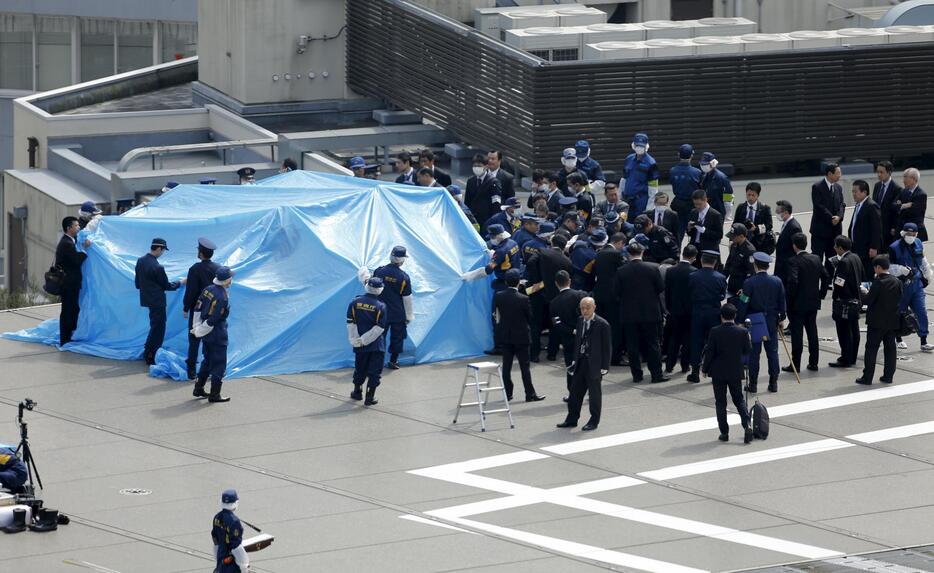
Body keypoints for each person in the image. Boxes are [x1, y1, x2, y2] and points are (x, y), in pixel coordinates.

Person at [462, 223, 521, 354]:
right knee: (514, 317)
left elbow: (488, 270)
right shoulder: (513, 243)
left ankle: (499, 347)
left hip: (503, 286)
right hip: (515, 283)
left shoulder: (500, 250)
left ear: (499, 236)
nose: (492, 239)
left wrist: (470, 276)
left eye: (493, 237)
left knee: (498, 317)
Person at [615, 243, 668, 383]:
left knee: (632, 345)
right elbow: (660, 287)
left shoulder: (621, 271)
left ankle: (636, 375)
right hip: (650, 312)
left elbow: (617, 292)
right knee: (653, 343)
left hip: (629, 314)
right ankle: (656, 374)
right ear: (642, 252)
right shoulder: (653, 268)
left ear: (628, 254)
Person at [557, 297, 611, 432]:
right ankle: (572, 419)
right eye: (582, 308)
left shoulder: (602, 324)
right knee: (575, 392)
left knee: (594, 394)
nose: (585, 311)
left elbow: (607, 347)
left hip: (594, 364)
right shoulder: (580, 321)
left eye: (588, 308)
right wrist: (575, 359)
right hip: (581, 362)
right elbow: (578, 341)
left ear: (594, 307)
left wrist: (605, 366)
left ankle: (594, 421)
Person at [701, 303, 753, 444]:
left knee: (720, 402)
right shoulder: (742, 332)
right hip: (735, 371)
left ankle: (724, 432)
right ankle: (747, 425)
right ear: (735, 316)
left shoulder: (715, 331)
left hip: (718, 372)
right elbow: (747, 351)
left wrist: (705, 369)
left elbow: (710, 352)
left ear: (721, 316)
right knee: (739, 400)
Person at [494, 270, 545, 402]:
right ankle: (529, 393)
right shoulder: (523, 299)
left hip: (506, 335)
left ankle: (508, 392)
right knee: (524, 367)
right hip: (521, 336)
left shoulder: (499, 296)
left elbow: (496, 314)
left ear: (506, 282)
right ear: (518, 282)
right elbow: (530, 317)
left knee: (507, 366)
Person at [135, 238, 185, 365]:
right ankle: (151, 354)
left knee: (154, 326)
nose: (162, 253)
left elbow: (137, 284)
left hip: (147, 299)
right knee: (158, 328)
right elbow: (167, 286)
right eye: (163, 250)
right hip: (158, 301)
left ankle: (148, 351)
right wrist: (181, 282)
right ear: (158, 249)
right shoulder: (158, 267)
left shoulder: (140, 261)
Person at [741, 252, 786, 393]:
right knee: (772, 352)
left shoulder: (749, 283)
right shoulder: (777, 281)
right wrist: (781, 318)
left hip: (755, 322)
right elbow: (782, 302)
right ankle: (773, 383)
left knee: (754, 353)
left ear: (755, 265)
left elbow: (744, 302)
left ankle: (753, 384)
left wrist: (739, 320)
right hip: (771, 321)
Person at [525, 235, 573, 361]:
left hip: (538, 294)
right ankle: (552, 353)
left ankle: (534, 354)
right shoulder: (567, 261)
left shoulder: (542, 251)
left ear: (552, 243)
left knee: (536, 325)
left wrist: (536, 281)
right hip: (555, 297)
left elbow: (530, 262)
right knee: (555, 325)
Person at [784, 233, 827, 373]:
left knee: (797, 335)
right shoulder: (815, 258)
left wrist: (789, 300)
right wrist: (821, 294)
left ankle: (795, 364)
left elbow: (793, 282)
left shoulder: (793, 261)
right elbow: (826, 276)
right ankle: (813, 362)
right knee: (812, 332)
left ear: (794, 246)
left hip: (797, 305)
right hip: (813, 302)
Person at [857, 256, 903, 385]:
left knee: (871, 349)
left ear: (878, 267)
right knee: (890, 349)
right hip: (892, 322)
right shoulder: (897, 281)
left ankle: (867, 377)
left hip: (876, 322)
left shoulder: (878, 282)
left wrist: (863, 292)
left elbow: (868, 301)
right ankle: (888, 376)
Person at [889, 223, 934, 352]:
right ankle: (898, 338)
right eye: (909, 234)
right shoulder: (894, 247)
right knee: (900, 312)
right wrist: (902, 270)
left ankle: (924, 340)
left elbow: (923, 259)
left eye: (913, 235)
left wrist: (928, 273)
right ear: (903, 234)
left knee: (921, 311)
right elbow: (890, 267)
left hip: (917, 284)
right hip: (902, 285)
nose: (911, 237)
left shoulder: (918, 243)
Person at [192, 266, 233, 403]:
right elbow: (213, 320)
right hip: (217, 333)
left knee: (207, 360)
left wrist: (196, 326)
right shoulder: (223, 297)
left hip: (207, 333)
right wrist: (199, 331)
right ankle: (215, 395)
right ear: (227, 280)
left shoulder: (208, 289)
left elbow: (197, 307)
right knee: (219, 365)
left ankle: (198, 388)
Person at [370, 246, 414, 369]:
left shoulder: (379, 271)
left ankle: (376, 362)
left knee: (378, 337)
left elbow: (372, 288)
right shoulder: (404, 277)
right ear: (402, 260)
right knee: (397, 338)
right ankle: (393, 361)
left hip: (380, 312)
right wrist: (409, 315)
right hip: (397, 314)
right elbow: (407, 298)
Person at [347, 277, 388, 405]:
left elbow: (350, 323)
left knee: (360, 368)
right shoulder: (381, 306)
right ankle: (370, 397)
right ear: (380, 289)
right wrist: (365, 340)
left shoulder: (354, 302)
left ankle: (357, 392)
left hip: (360, 345)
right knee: (374, 370)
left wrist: (356, 340)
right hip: (376, 345)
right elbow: (379, 328)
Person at [183, 238, 220, 380]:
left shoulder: (195, 269)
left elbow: (191, 291)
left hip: (198, 310)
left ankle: (191, 370)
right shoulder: (218, 268)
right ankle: (210, 368)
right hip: (213, 310)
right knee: (211, 339)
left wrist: (186, 307)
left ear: (200, 253)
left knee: (194, 338)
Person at [688, 250, 727, 382]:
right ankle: (713, 369)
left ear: (701, 261)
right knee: (714, 342)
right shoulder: (720, 278)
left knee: (696, 341)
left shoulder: (693, 276)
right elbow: (722, 295)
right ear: (715, 263)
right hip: (713, 312)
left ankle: (694, 371)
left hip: (697, 312)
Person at [829, 235, 864, 368]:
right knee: (854, 330)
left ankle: (846, 358)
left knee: (844, 331)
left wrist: (835, 297)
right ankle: (853, 356)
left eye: (835, 246)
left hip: (845, 301)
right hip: (856, 299)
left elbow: (839, 283)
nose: (834, 249)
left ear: (841, 248)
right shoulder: (856, 257)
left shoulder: (844, 262)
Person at [56, 217, 92, 346]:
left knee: (73, 309)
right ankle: (65, 338)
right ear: (68, 228)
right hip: (68, 284)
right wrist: (84, 249)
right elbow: (77, 260)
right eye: (76, 226)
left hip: (71, 283)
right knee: (68, 310)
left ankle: (69, 335)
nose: (79, 228)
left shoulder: (70, 240)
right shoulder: (67, 243)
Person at [550, 271, 586, 394]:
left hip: (568, 338)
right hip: (585, 336)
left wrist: (572, 331)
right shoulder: (581, 295)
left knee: (571, 366)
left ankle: (572, 393)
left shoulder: (554, 303)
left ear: (556, 284)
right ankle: (591, 390)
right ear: (569, 281)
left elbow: (557, 324)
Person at [592, 232, 625, 364]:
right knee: (614, 327)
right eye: (622, 245)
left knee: (601, 326)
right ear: (619, 242)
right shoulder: (616, 254)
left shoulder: (599, 253)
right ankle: (615, 357)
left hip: (600, 294)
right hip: (613, 296)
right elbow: (623, 271)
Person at [665, 245, 698, 374]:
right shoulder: (694, 272)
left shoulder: (671, 270)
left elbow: (667, 291)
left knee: (674, 338)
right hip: (689, 311)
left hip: (674, 310)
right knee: (687, 339)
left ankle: (669, 365)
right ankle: (685, 365)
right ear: (694, 257)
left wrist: (668, 307)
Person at [809, 163, 846, 273]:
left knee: (832, 258)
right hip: (820, 231)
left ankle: (829, 281)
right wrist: (831, 218)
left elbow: (841, 204)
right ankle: (815, 280)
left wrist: (839, 217)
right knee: (817, 258)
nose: (840, 175)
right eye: (838, 173)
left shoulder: (838, 187)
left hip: (834, 232)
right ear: (830, 174)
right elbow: (819, 206)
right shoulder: (817, 187)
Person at [848, 179, 882, 279]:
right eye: (852, 191)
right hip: (856, 247)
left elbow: (876, 229)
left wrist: (874, 247)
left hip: (867, 249)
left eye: (856, 191)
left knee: (867, 274)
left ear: (864, 192)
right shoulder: (858, 205)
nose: (853, 194)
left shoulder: (871, 206)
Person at [620, 132, 659, 215]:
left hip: (641, 202)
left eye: (642, 146)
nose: (639, 148)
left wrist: (649, 208)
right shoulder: (629, 159)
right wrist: (620, 198)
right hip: (627, 201)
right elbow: (624, 179)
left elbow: (653, 189)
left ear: (646, 146)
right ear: (633, 145)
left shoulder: (651, 164)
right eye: (638, 145)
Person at [669, 143, 703, 240]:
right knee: (695, 232)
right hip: (693, 206)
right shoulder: (697, 172)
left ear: (678, 155)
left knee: (678, 233)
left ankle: (677, 252)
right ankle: (693, 253)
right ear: (692, 155)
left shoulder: (672, 171)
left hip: (678, 204)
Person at [212, 489, 249, 573]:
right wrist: (244, 567)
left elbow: (215, 541)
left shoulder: (217, 517)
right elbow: (236, 547)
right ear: (236, 503)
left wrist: (218, 560)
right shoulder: (234, 522)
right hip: (231, 563)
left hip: (221, 559)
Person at [465, 154, 502, 233]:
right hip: (473, 220)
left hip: (487, 219)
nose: (476, 168)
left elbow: (496, 204)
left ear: (486, 166)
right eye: (475, 166)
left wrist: (493, 221)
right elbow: (467, 201)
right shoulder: (471, 181)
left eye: (479, 166)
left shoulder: (493, 182)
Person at [686, 190, 724, 267]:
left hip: (708, 250)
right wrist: (689, 228)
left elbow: (719, 235)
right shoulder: (693, 212)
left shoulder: (715, 215)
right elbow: (689, 233)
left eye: (699, 204)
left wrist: (705, 231)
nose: (697, 206)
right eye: (695, 204)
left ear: (706, 200)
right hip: (694, 249)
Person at [734, 183, 774, 254]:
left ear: (758, 195)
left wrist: (756, 229)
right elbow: (735, 224)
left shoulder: (765, 208)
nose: (750, 198)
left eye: (753, 195)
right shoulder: (741, 207)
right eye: (748, 195)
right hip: (742, 242)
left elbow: (769, 225)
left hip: (759, 243)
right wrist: (732, 241)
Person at [873, 161, 902, 252]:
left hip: (888, 227)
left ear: (889, 173)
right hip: (877, 226)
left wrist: (894, 227)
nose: (879, 174)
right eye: (877, 172)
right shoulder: (877, 186)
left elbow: (896, 210)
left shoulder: (896, 188)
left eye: (881, 172)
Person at [895, 168, 928, 241]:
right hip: (902, 231)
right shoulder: (903, 192)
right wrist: (904, 205)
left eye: (906, 177)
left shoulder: (921, 194)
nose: (903, 180)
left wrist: (900, 207)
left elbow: (913, 213)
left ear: (914, 179)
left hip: (915, 232)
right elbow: (894, 205)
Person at [773, 200, 802, 285]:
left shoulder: (794, 227)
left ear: (785, 212)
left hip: (786, 266)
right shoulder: (786, 223)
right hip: (781, 264)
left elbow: (796, 248)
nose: (776, 214)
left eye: (778, 212)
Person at [724, 223, 756, 296]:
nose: (731, 238)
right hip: (732, 282)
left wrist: (745, 288)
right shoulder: (733, 245)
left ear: (741, 236)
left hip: (742, 286)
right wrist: (722, 279)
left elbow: (751, 272)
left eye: (734, 237)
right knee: (730, 305)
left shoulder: (750, 250)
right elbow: (728, 264)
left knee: (742, 305)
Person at [699, 152, 732, 219]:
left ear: (712, 163)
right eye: (702, 164)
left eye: (705, 164)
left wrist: (728, 213)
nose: (703, 166)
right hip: (706, 211)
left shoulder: (722, 178)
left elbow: (728, 197)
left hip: (718, 212)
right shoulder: (705, 176)